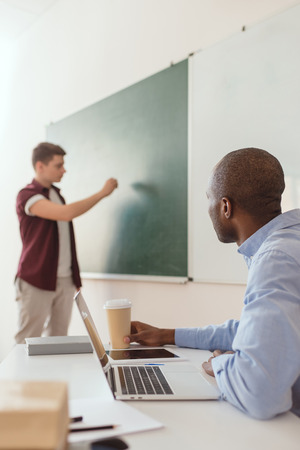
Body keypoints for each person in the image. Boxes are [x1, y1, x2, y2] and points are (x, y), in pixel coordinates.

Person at [124, 148, 300, 420]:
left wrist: (220, 364)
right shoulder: (289, 243)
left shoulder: (275, 258)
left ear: (225, 207)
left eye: (209, 198)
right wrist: (168, 335)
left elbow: (260, 394)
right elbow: (261, 329)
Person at [15, 142, 118, 343]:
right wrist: (102, 193)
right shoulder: (27, 195)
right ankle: (22, 377)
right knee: (27, 341)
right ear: (40, 166)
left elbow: (64, 240)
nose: (64, 170)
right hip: (36, 279)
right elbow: (66, 214)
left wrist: (74, 279)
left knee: (58, 341)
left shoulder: (56, 194)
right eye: (58, 165)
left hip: (64, 281)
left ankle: (51, 377)